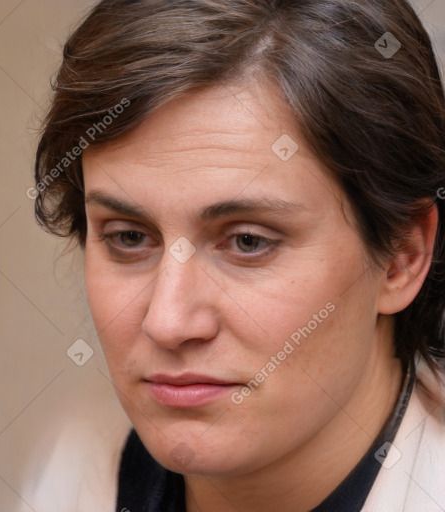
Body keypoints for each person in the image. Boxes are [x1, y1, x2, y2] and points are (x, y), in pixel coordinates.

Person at [33, 0, 445, 510]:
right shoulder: (62, 478)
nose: (168, 322)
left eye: (248, 241)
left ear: (401, 257)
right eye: (129, 237)